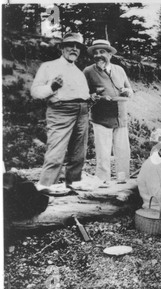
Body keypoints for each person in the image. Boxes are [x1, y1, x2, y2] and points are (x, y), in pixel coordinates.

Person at [31, 33, 91, 194]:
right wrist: (51, 87)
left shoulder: (79, 71)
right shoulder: (48, 66)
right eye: (70, 45)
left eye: (78, 47)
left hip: (82, 111)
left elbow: (81, 94)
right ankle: (46, 186)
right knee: (56, 149)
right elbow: (35, 92)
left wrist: (90, 98)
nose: (74, 49)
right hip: (60, 111)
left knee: (79, 152)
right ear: (62, 48)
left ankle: (73, 183)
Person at [83, 39, 133, 183]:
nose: (98, 55)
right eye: (96, 52)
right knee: (103, 153)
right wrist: (92, 96)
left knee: (123, 151)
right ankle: (103, 183)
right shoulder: (88, 71)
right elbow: (82, 94)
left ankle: (123, 181)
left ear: (110, 54)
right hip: (101, 118)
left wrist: (126, 92)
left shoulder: (119, 70)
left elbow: (130, 90)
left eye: (102, 52)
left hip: (120, 117)